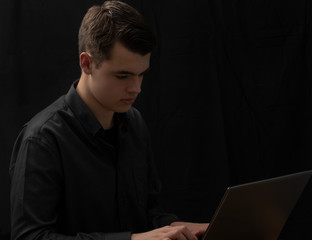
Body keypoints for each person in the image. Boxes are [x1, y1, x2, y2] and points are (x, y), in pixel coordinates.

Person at [9, 1, 208, 240]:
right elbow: (30, 237)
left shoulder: (135, 123)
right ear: (87, 63)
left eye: (141, 74)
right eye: (122, 75)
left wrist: (180, 227)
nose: (136, 89)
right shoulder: (42, 139)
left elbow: (148, 214)